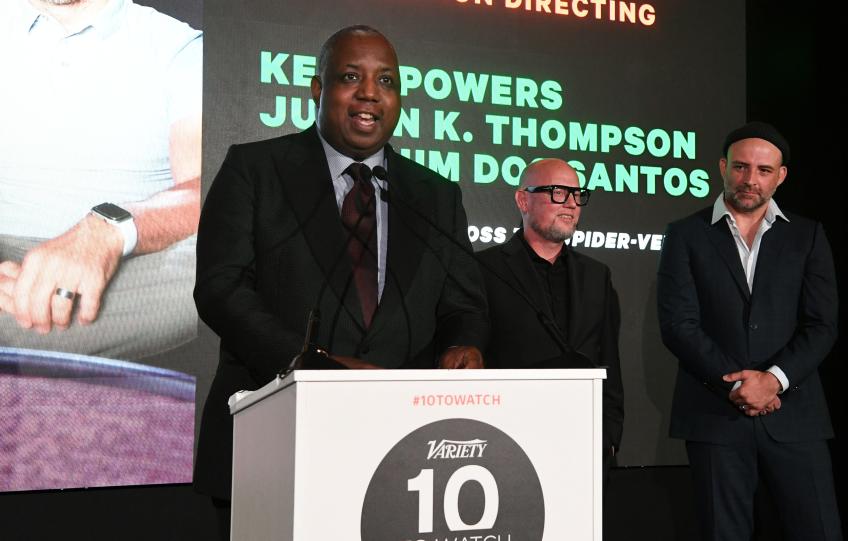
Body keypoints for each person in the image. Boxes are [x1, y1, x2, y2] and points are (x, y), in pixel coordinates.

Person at [192, 25, 488, 538]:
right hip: (274, 440)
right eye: (351, 76)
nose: (370, 93)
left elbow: (463, 301)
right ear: (318, 87)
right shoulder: (256, 169)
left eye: (387, 81)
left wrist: (465, 341)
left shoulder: (436, 194)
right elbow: (220, 288)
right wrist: (308, 363)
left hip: (401, 453)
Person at [657, 121, 842, 540]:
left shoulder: (808, 236)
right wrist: (738, 387)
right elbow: (678, 325)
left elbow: (822, 325)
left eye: (763, 170)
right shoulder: (685, 234)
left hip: (796, 417)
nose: (750, 180)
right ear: (722, 167)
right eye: (740, 167)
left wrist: (772, 381)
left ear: (781, 176)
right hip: (715, 415)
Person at [0, 0, 202, 360]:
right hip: (5, 254)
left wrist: (109, 230)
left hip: (127, 271)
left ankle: (27, 325)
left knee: (236, 259)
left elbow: (201, 191)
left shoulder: (177, 46)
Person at [476, 158, 624, 472]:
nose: (571, 203)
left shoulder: (597, 275)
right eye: (557, 192)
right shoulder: (484, 269)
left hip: (585, 447)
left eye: (577, 194)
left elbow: (609, 361)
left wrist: (610, 436)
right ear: (522, 199)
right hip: (508, 446)